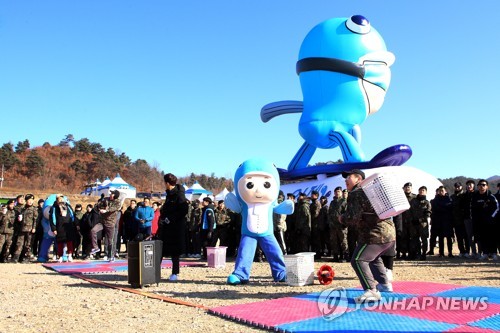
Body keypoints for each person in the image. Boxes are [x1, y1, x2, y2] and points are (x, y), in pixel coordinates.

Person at [340, 169, 396, 303]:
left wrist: (341, 218)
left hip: (375, 234)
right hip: (388, 233)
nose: (346, 180)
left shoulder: (356, 193)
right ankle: (384, 284)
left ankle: (372, 291)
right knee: (373, 258)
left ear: (358, 179)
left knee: (358, 260)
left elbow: (352, 218)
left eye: (348, 177)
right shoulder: (371, 191)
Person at [159, 173, 189, 281]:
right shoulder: (168, 194)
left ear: (167, 183)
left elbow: (184, 210)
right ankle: (154, 272)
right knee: (160, 249)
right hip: (166, 227)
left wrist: (171, 218)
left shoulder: (179, 194)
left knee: (175, 251)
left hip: (176, 227)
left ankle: (175, 273)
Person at [471, 180, 499, 260]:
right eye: (479, 185)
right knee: (482, 238)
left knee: (492, 237)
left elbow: (497, 208)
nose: (481, 186)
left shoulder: (491, 196)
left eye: (483, 185)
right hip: (479, 221)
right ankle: (485, 253)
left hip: (490, 222)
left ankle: (493, 253)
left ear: (487, 186)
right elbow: (473, 209)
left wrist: (491, 217)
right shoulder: (475, 198)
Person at [91, 190, 121, 261]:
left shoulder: (117, 202)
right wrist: (100, 203)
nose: (111, 194)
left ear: (115, 195)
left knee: (110, 240)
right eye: (111, 193)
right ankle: (95, 247)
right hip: (102, 221)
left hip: (110, 223)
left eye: (112, 194)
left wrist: (106, 210)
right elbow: (97, 206)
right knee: (93, 231)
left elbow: (113, 208)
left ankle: (111, 255)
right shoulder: (106, 199)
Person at [10, 194, 38, 263]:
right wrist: (19, 220)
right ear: (26, 201)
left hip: (29, 229)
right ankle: (16, 257)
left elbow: (35, 220)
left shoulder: (34, 209)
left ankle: (25, 257)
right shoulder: (23, 209)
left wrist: (34, 228)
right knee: (19, 243)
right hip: (22, 228)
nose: (30, 202)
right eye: (29, 200)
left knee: (27, 244)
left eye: (31, 200)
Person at [49, 194, 76, 262]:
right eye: (59, 199)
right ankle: (60, 256)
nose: (61, 200)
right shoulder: (54, 208)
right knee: (60, 242)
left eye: (62, 199)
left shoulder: (68, 206)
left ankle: (70, 255)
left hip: (68, 226)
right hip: (59, 226)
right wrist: (54, 229)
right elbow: (52, 219)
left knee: (69, 241)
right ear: (57, 200)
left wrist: (75, 224)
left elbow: (72, 215)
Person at [429, 186, 454, 258]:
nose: (441, 192)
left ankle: (450, 252)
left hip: (447, 221)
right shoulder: (435, 200)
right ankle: (441, 252)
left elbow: (451, 208)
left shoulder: (449, 199)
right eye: (439, 190)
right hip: (438, 221)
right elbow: (434, 209)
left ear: (445, 191)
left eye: (442, 190)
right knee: (441, 238)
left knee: (449, 238)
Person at [409, 186, 432, 260]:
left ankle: (424, 253)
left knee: (424, 239)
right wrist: (412, 220)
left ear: (426, 192)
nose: (421, 192)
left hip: (423, 224)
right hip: (414, 224)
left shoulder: (427, 203)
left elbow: (428, 214)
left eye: (423, 190)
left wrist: (419, 220)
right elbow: (410, 211)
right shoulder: (413, 201)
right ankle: (417, 253)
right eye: (420, 190)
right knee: (415, 239)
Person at [328, 186, 348, 262]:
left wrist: (344, 223)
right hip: (333, 226)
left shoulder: (344, 201)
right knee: (334, 241)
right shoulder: (332, 202)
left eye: (338, 191)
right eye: (336, 192)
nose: (337, 193)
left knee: (343, 241)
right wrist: (330, 223)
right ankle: (335, 256)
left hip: (341, 226)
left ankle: (344, 256)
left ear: (341, 192)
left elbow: (346, 213)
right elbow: (329, 213)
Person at [450, 182, 469, 257]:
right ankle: (461, 251)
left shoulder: (465, 195)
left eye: (458, 186)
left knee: (466, 236)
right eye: (456, 187)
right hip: (456, 220)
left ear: (461, 187)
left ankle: (467, 251)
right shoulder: (452, 196)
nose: (457, 188)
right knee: (459, 237)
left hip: (464, 219)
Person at [400, 182, 416, 260]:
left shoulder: (415, 197)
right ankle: (403, 253)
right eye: (406, 187)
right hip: (402, 220)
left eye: (409, 187)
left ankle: (411, 253)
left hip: (412, 221)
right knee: (403, 238)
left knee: (412, 238)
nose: (407, 188)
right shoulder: (400, 197)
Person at [462, 180, 477, 258]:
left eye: (470, 185)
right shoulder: (464, 195)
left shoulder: (477, 194)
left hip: (477, 218)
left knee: (478, 236)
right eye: (467, 185)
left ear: (473, 185)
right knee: (469, 236)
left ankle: (481, 252)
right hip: (467, 218)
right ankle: (474, 252)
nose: (469, 186)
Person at [309, 190, 322, 259]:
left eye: (313, 195)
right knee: (313, 240)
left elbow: (315, 215)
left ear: (316, 196)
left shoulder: (316, 203)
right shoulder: (312, 203)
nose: (311, 196)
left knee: (317, 240)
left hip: (316, 224)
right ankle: (314, 254)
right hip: (313, 224)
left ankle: (318, 254)